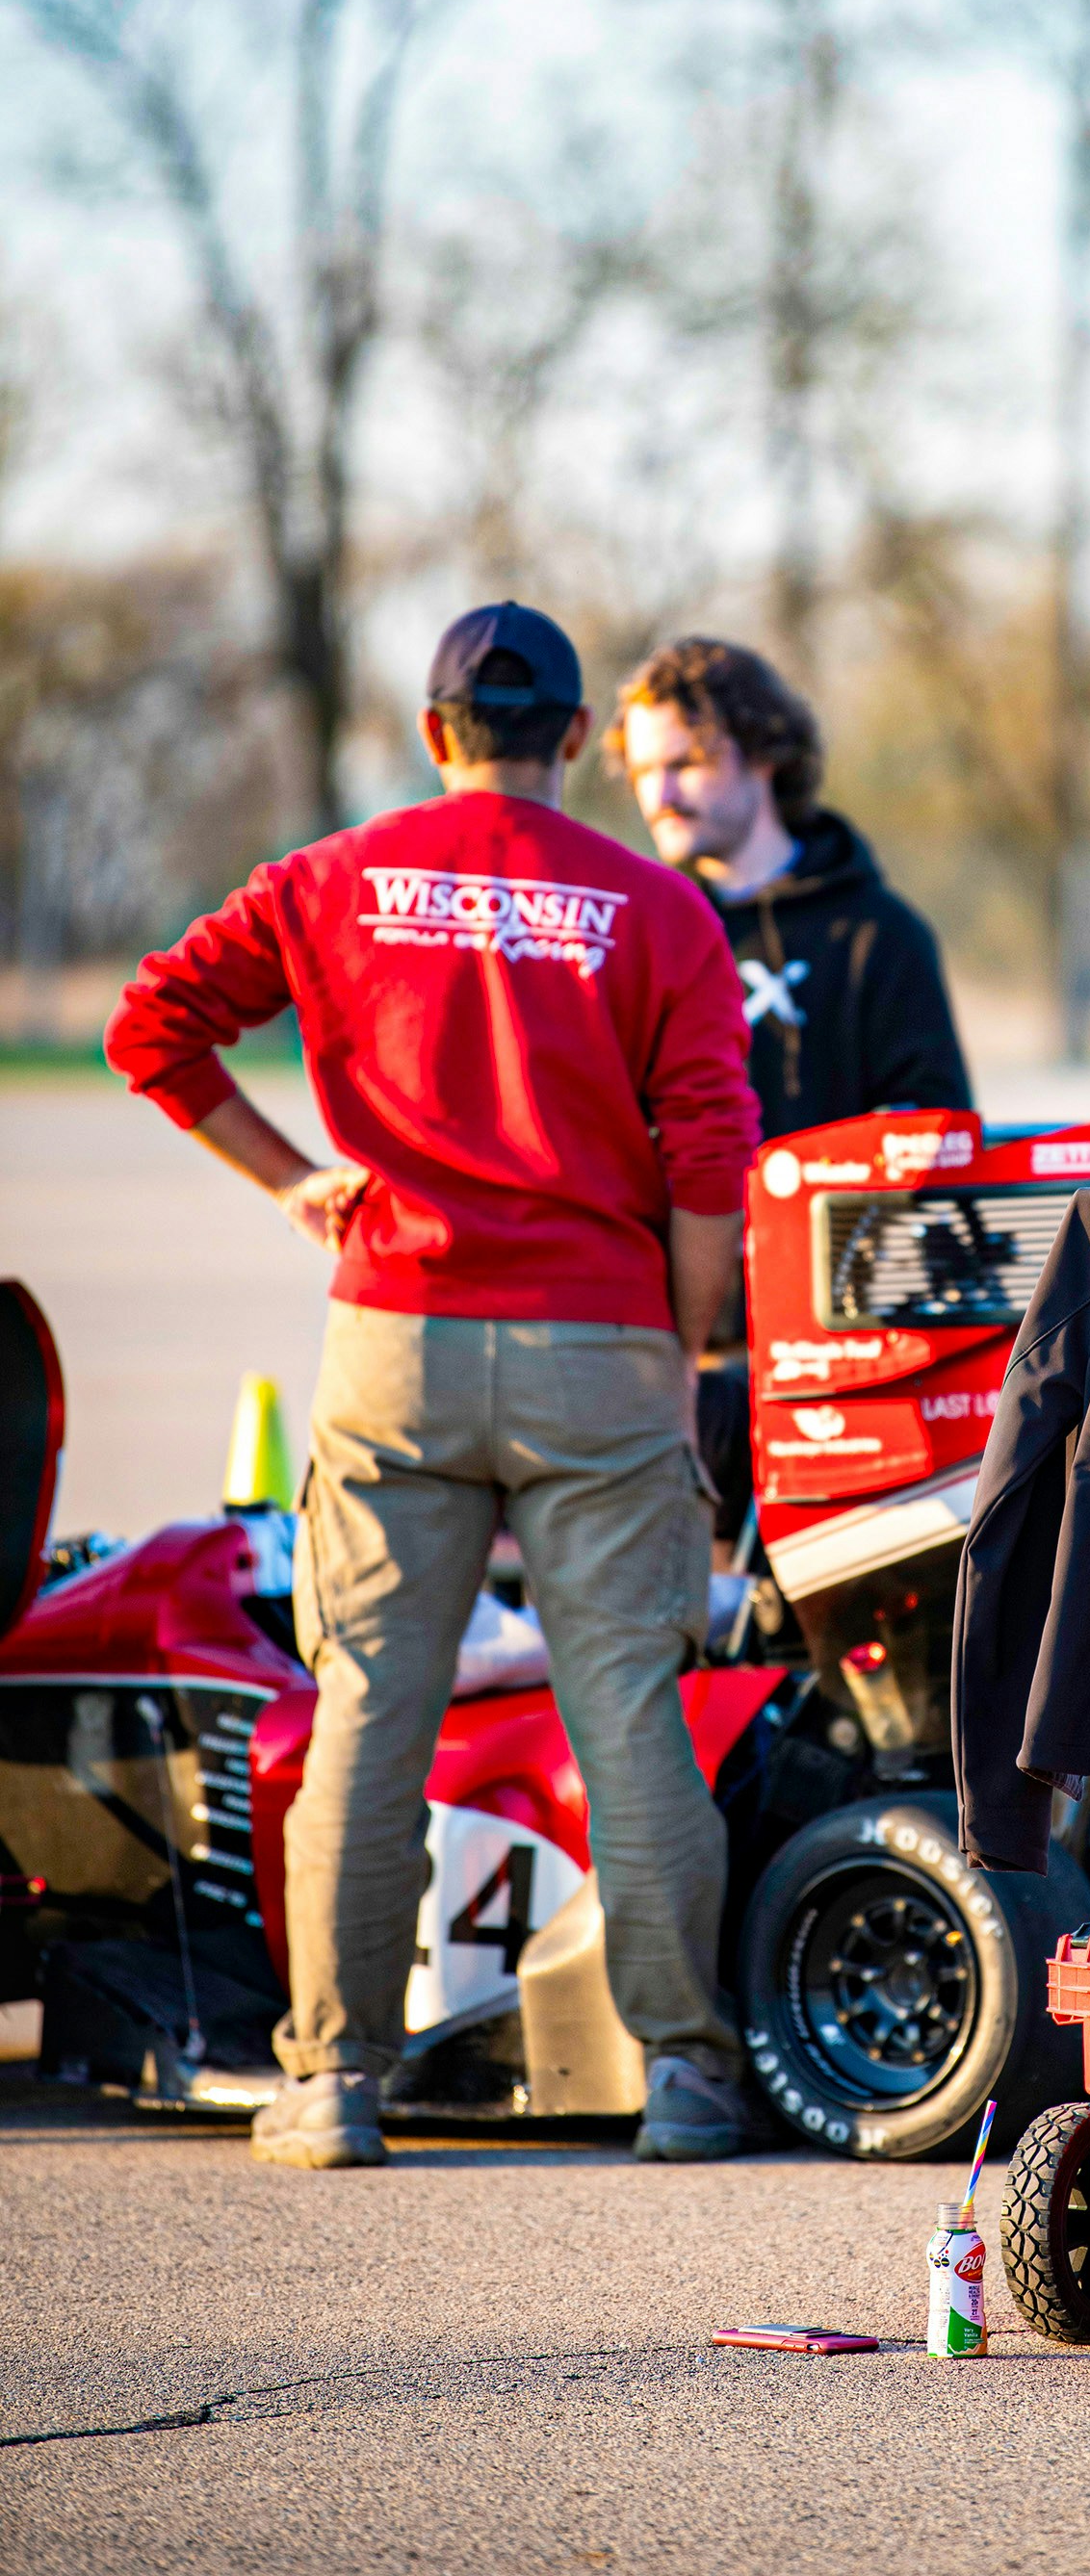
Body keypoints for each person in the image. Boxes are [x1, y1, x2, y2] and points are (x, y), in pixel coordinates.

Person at [104, 603, 763, 2170]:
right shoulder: (658, 909)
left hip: (391, 1336)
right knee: (631, 1719)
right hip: (600, 1347)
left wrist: (290, 1183)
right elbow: (709, 1159)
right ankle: (683, 2077)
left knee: (368, 1718)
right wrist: (686, 1353)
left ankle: (332, 2085)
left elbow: (153, 1027)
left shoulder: (328, 882)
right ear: (580, 742)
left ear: (430, 733)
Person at [609, 636, 972, 1144]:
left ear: (764, 753)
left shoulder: (881, 935)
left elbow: (939, 1139)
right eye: (643, 771)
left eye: (685, 764)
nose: (660, 796)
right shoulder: (639, 935)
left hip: (845, 1226)